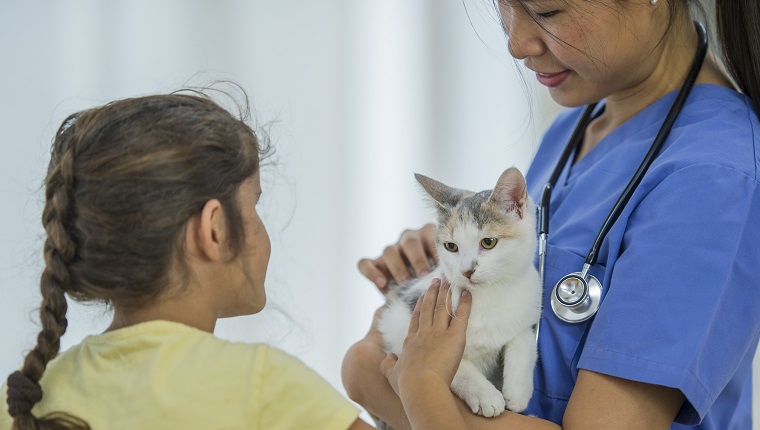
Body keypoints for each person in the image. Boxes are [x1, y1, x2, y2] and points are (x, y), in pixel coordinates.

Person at [342, 0, 760, 429]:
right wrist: (444, 274)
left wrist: (382, 379)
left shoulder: (712, 177)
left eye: (547, 12)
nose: (516, 44)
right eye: (502, 8)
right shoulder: (576, 124)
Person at [0, 91, 374, 430]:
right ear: (214, 230)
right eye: (254, 204)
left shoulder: (22, 401)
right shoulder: (263, 386)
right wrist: (408, 373)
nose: (262, 227)